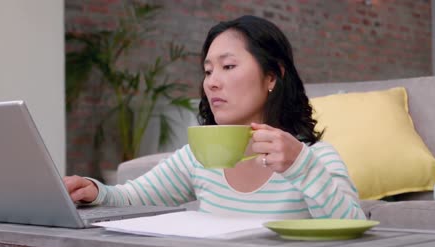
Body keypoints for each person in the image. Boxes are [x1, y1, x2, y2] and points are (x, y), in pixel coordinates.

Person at [65, 15, 366, 219]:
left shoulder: (315, 159)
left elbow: (353, 229)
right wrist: (93, 191)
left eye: (228, 66)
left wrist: (301, 165)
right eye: (208, 71)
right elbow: (131, 197)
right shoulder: (198, 159)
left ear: (272, 76)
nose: (211, 82)